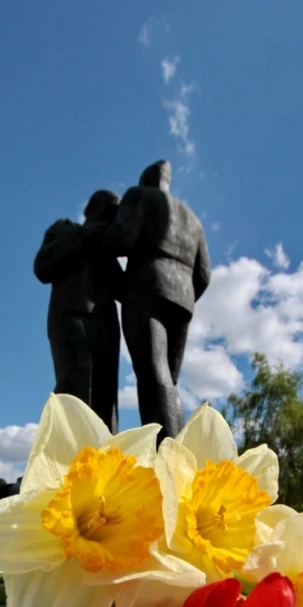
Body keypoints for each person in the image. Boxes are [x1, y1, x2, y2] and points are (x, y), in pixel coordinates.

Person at [104, 160, 211, 440]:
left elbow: (120, 240)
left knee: (153, 374)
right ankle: (177, 448)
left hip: (147, 286)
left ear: (145, 180)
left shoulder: (138, 196)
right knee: (169, 380)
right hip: (183, 298)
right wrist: (183, 294)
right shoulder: (193, 219)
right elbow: (204, 275)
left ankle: (165, 451)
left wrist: (98, 237)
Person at [33, 189, 123, 433]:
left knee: (106, 395)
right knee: (74, 385)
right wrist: (83, 238)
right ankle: (66, 452)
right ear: (91, 210)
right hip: (70, 315)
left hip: (105, 323)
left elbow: (123, 289)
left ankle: (106, 451)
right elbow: (42, 267)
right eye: (111, 208)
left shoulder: (104, 246)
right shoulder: (64, 230)